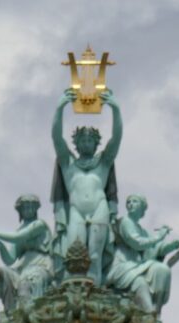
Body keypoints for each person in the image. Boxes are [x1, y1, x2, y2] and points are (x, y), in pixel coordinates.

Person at [50, 88, 122, 285]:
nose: (87, 143)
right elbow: (56, 138)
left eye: (91, 140)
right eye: (83, 140)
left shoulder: (104, 163)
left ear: (96, 143)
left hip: (99, 208)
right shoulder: (68, 163)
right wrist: (60, 108)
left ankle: (96, 293)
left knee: (95, 256)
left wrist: (116, 110)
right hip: (76, 211)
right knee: (74, 255)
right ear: (77, 143)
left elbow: (116, 140)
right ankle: (76, 296)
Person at [105, 194, 179, 317]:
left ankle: (157, 310)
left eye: (135, 202)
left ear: (142, 208)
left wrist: (172, 245)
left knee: (163, 270)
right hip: (123, 266)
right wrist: (159, 236)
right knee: (140, 282)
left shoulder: (141, 230)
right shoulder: (125, 222)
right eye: (129, 202)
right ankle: (149, 313)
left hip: (135, 266)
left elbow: (152, 250)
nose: (130, 204)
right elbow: (137, 243)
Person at [0, 194, 54, 311]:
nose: (29, 210)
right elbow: (9, 259)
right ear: (20, 210)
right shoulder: (20, 230)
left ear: (36, 209)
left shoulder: (39, 225)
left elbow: (17, 237)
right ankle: (13, 314)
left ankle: (29, 316)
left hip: (40, 266)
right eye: (26, 207)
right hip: (23, 268)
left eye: (32, 207)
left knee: (25, 285)